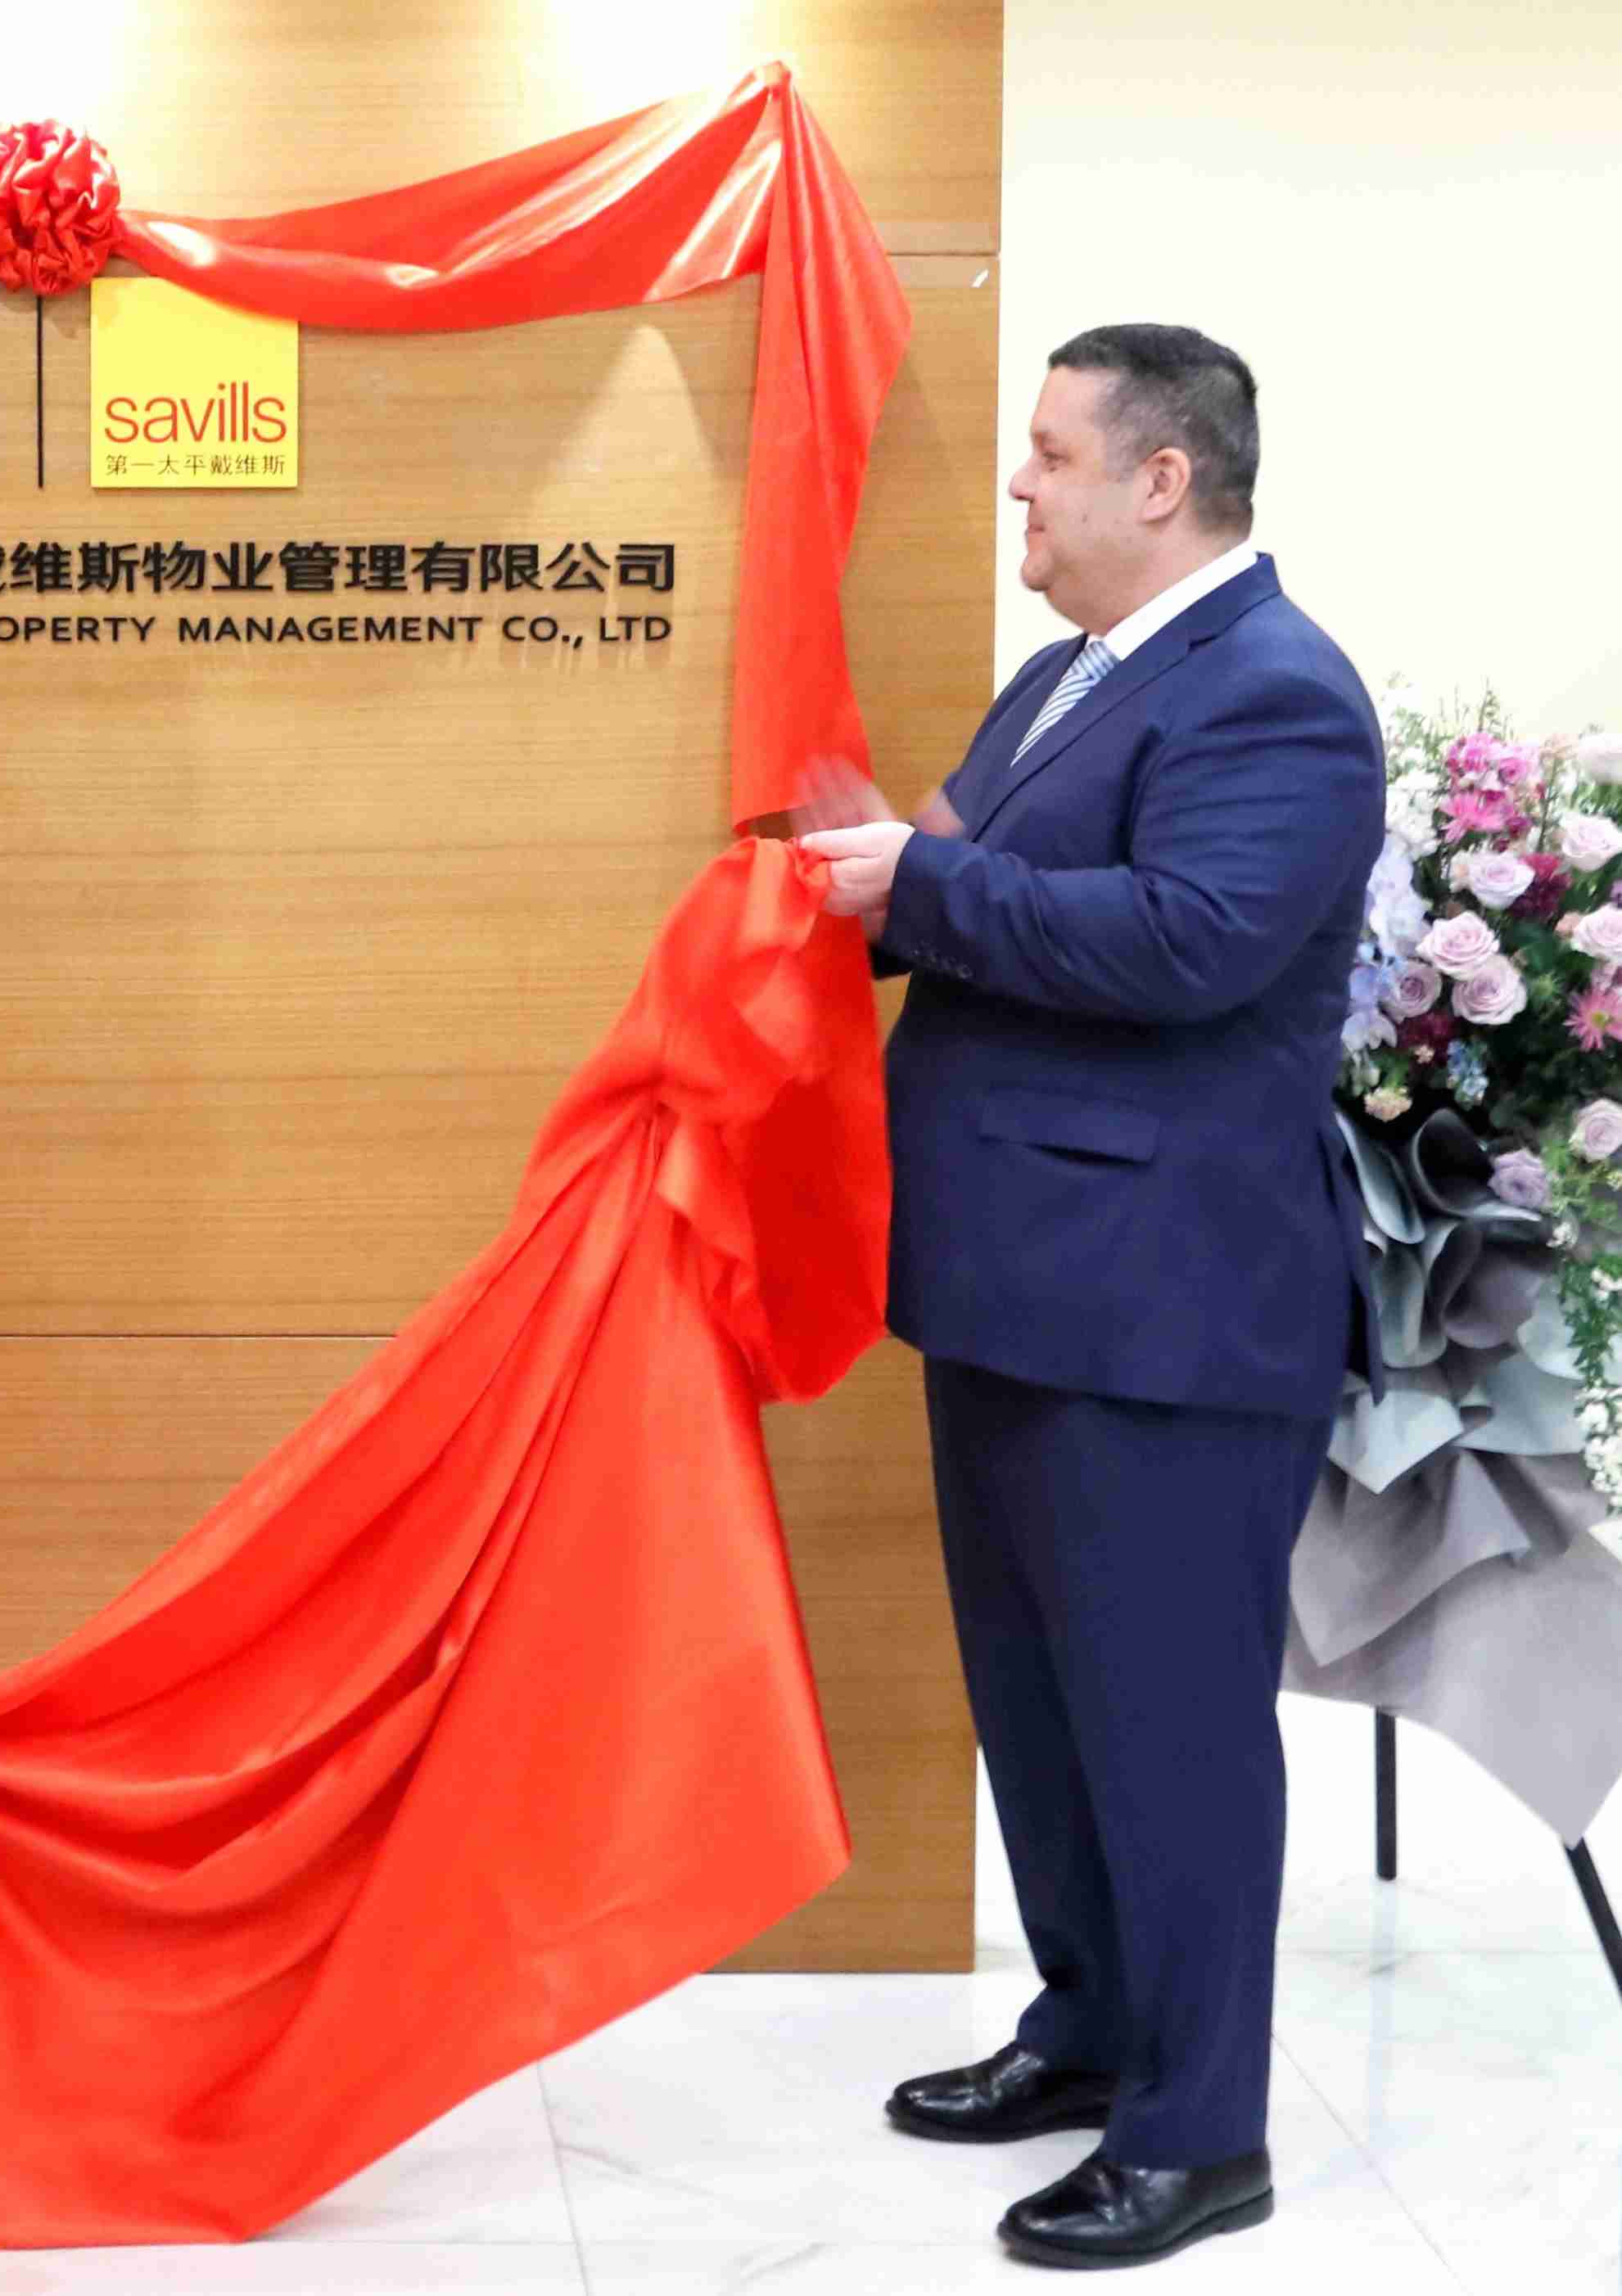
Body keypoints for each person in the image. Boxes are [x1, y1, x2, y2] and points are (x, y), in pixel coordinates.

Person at [795, 324, 1381, 2271]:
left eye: (1049, 453)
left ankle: (1200, 2131)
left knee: (1169, 1730)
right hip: (1014, 1286)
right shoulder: (1068, 675)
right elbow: (956, 872)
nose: (1018, 485)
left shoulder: (1276, 690)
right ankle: (1093, 2025)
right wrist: (835, 884)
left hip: (1166, 1313)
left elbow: (1193, 939)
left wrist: (912, 882)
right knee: (1043, 1712)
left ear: (1162, 478)